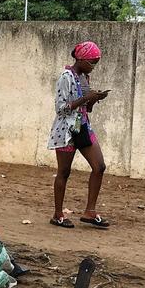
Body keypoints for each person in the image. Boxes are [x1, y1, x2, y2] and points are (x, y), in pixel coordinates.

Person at [48, 41, 110, 228]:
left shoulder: (84, 77)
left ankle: (90, 212)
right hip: (66, 130)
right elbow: (61, 109)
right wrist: (85, 98)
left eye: (96, 62)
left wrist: (93, 100)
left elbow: (86, 109)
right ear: (80, 59)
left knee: (99, 166)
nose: (94, 66)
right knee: (64, 172)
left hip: (82, 126)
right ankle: (58, 214)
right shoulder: (66, 77)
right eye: (92, 62)